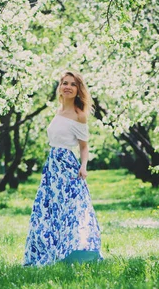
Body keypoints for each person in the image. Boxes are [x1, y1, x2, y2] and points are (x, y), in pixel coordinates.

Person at [23, 71, 102, 266]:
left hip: (67, 166)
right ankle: (49, 251)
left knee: (70, 210)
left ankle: (72, 252)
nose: (67, 86)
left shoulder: (79, 115)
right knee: (47, 210)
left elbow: (84, 147)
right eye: (64, 83)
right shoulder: (58, 112)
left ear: (78, 90)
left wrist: (83, 167)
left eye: (72, 84)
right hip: (52, 166)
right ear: (60, 87)